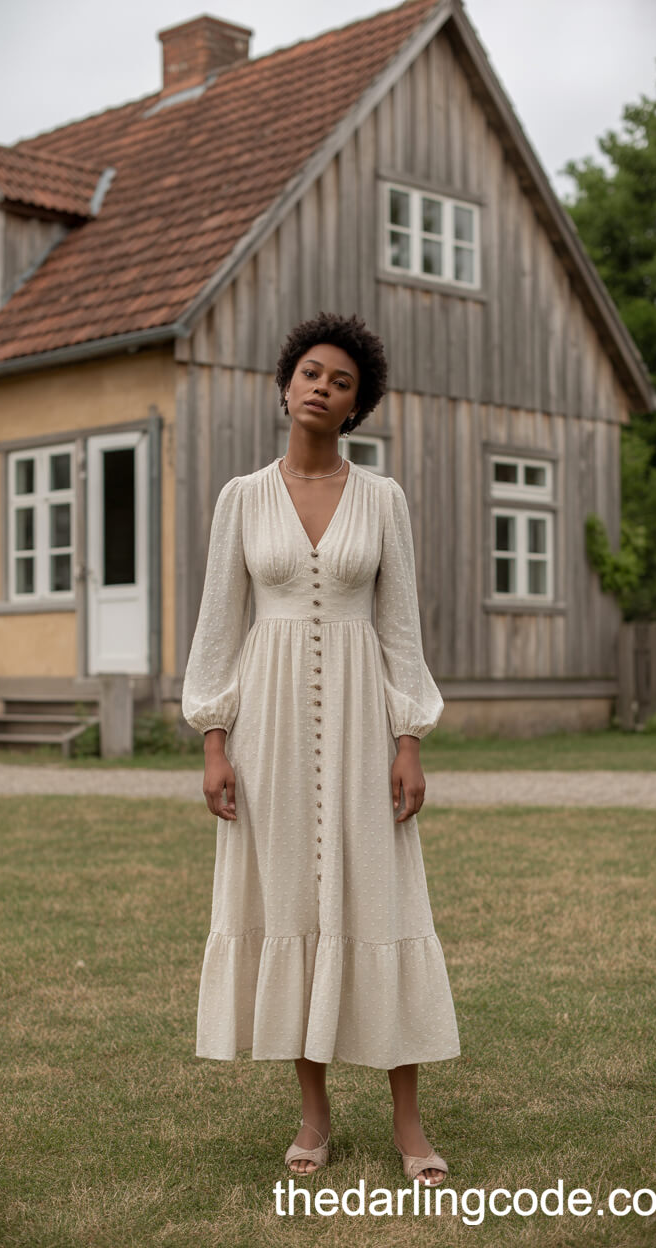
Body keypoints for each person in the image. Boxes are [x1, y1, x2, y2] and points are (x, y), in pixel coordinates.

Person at [181, 311, 460, 1186]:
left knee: (380, 903)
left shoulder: (383, 499)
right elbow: (218, 629)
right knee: (292, 904)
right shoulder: (239, 498)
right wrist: (213, 742)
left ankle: (410, 1125)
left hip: (362, 721)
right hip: (263, 731)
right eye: (310, 371)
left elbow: (400, 626)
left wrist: (408, 736)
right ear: (285, 383)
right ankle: (313, 1113)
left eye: (341, 381)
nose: (322, 386)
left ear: (355, 406)